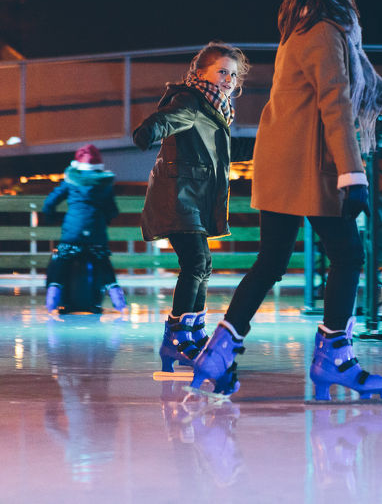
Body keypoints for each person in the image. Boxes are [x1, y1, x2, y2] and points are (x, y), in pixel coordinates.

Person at [191, 0, 382, 399]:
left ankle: (217, 353)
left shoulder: (310, 33)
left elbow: (371, 92)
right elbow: (337, 104)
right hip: (309, 168)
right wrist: (352, 176)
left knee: (271, 262)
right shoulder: (324, 35)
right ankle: (334, 357)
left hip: (283, 165)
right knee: (348, 256)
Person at [132, 41, 254, 373]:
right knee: (196, 261)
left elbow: (227, 150)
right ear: (200, 73)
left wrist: (267, 146)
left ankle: (192, 333)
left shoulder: (217, 110)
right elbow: (170, 118)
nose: (228, 80)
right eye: (221, 72)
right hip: (177, 195)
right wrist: (148, 130)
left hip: (192, 199)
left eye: (232, 74)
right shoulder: (190, 101)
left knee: (202, 263)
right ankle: (176, 337)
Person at [42, 144, 126, 314]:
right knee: (104, 263)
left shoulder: (71, 180)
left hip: (72, 233)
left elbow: (49, 203)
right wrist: (105, 220)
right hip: (96, 234)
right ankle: (118, 300)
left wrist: (51, 217)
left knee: (62, 261)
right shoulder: (104, 183)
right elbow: (112, 210)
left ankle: (53, 297)